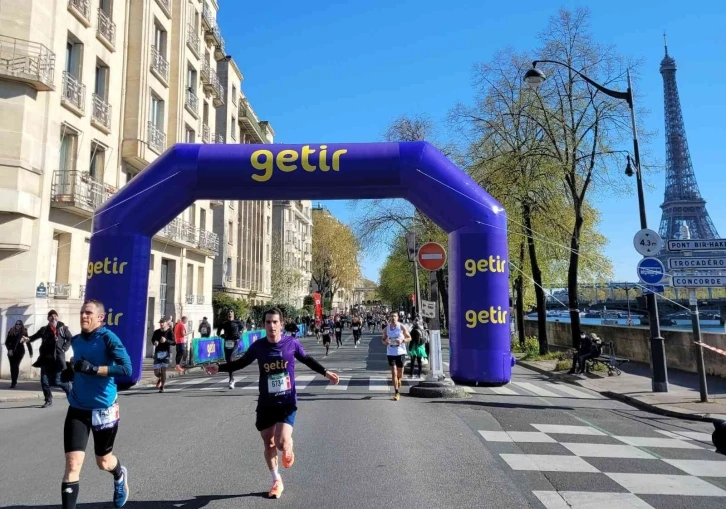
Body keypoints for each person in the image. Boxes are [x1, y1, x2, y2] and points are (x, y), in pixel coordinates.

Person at [206, 308, 339, 499]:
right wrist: (219, 368)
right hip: (266, 402)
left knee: (281, 443)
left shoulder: (291, 343)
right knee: (268, 442)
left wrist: (325, 372)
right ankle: (276, 480)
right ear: (264, 325)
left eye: (275, 322)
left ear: (281, 324)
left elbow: (307, 359)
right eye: (268, 322)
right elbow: (241, 363)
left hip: (286, 401)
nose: (271, 326)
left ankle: (288, 446)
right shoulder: (259, 346)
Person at [58, 299, 132, 509]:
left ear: (100, 317)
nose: (83, 316)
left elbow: (127, 369)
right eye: (82, 312)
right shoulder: (76, 341)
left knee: (103, 462)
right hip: (78, 408)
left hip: (104, 409)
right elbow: (77, 366)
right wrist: (70, 372)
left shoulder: (108, 339)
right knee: (72, 464)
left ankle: (119, 474)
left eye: (88, 313)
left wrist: (94, 369)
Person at [27, 310, 73, 408]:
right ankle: (48, 400)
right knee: (44, 381)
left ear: (57, 317)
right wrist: (27, 339)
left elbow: (70, 338)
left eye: (55, 316)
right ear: (48, 318)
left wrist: (64, 348)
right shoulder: (44, 330)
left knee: (57, 381)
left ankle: (69, 386)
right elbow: (34, 337)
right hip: (45, 360)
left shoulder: (62, 329)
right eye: (51, 316)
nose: (53, 318)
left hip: (57, 360)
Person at [381, 311, 411, 401]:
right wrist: (385, 342)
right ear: (389, 318)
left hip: (401, 352)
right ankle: (396, 392)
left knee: (399, 374)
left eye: (395, 316)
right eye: (392, 316)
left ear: (398, 317)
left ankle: (399, 380)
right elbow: (382, 340)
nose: (393, 318)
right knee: (394, 371)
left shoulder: (401, 327)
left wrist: (402, 340)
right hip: (391, 352)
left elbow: (409, 337)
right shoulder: (386, 329)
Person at [217, 310, 244, 389]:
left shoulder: (238, 322)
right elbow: (218, 332)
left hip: (235, 343)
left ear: (233, 315)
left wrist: (239, 334)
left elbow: (242, 329)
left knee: (231, 359)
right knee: (228, 361)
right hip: (227, 343)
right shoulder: (224, 323)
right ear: (227, 315)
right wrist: (222, 335)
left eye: (231, 314)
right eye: (228, 314)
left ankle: (231, 380)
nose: (230, 315)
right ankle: (232, 378)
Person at [5, 320, 32, 388]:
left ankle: (14, 382)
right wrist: (9, 349)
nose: (18, 325)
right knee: (12, 367)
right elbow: (6, 342)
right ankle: (13, 381)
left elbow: (28, 342)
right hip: (11, 352)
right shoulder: (11, 331)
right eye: (16, 324)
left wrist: (30, 352)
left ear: (21, 325)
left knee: (16, 366)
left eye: (19, 324)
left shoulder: (24, 332)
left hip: (20, 351)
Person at [151, 318, 174, 392]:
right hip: (157, 353)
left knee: (163, 371)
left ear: (166, 323)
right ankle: (160, 378)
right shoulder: (156, 332)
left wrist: (166, 340)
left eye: (163, 322)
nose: (161, 324)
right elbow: (153, 340)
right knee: (156, 372)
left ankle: (162, 387)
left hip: (166, 353)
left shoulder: (170, 332)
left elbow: (174, 342)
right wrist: (155, 343)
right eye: (160, 323)